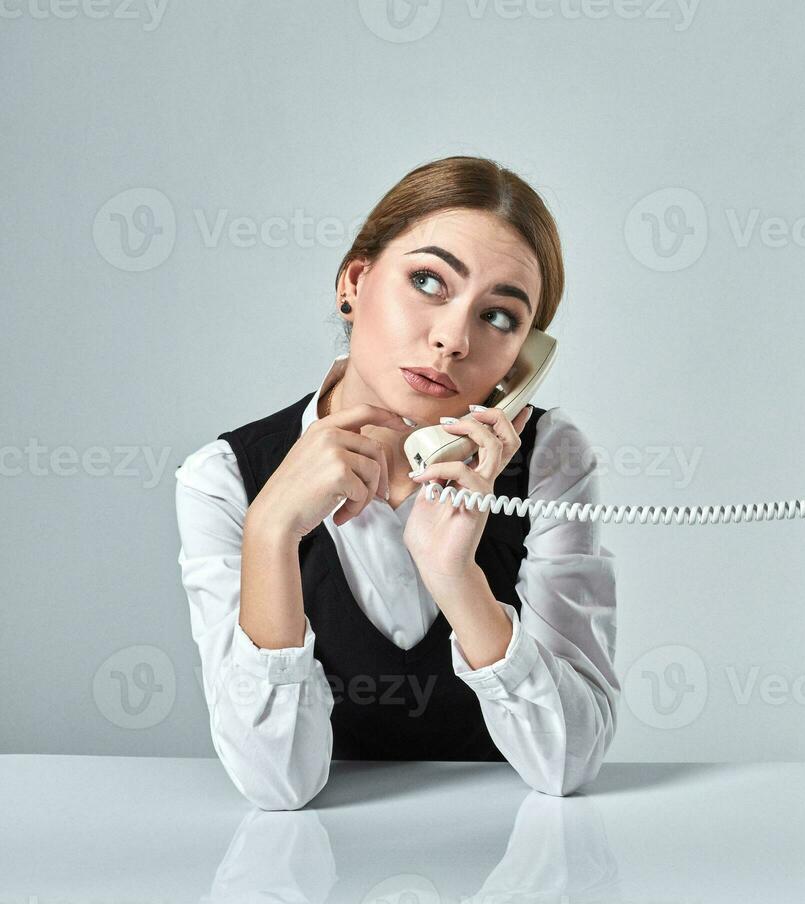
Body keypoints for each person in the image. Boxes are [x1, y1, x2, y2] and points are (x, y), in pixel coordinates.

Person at [174, 156, 617, 809]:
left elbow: (567, 765)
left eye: (499, 317)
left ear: (523, 359)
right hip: (312, 883)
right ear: (354, 282)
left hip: (515, 873)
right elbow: (276, 787)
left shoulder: (547, 460)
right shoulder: (226, 478)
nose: (452, 339)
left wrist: (456, 578)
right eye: (428, 281)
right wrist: (270, 532)